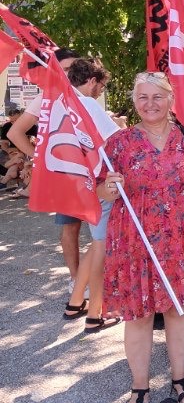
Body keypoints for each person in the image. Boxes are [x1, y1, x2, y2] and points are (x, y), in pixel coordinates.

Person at [101, 71, 184, 403]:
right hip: (136, 240)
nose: (150, 104)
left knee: (179, 308)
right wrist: (108, 187)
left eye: (157, 97)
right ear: (134, 102)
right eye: (142, 97)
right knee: (140, 313)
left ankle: (180, 376)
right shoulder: (119, 142)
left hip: (180, 236)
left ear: (170, 100)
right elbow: (100, 189)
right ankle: (140, 386)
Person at [7, 48, 83, 291]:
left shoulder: (87, 90)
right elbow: (14, 133)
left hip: (96, 171)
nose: (71, 74)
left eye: (75, 68)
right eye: (66, 69)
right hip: (67, 174)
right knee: (70, 227)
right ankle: (76, 280)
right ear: (55, 72)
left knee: (103, 230)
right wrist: (39, 158)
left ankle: (101, 280)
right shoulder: (47, 98)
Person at [61, 59, 123, 333]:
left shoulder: (63, 104)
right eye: (100, 86)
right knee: (102, 248)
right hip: (99, 181)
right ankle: (95, 313)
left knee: (97, 242)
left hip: (78, 181)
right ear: (91, 81)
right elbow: (116, 139)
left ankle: (76, 302)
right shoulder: (86, 104)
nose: (99, 92)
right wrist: (119, 124)